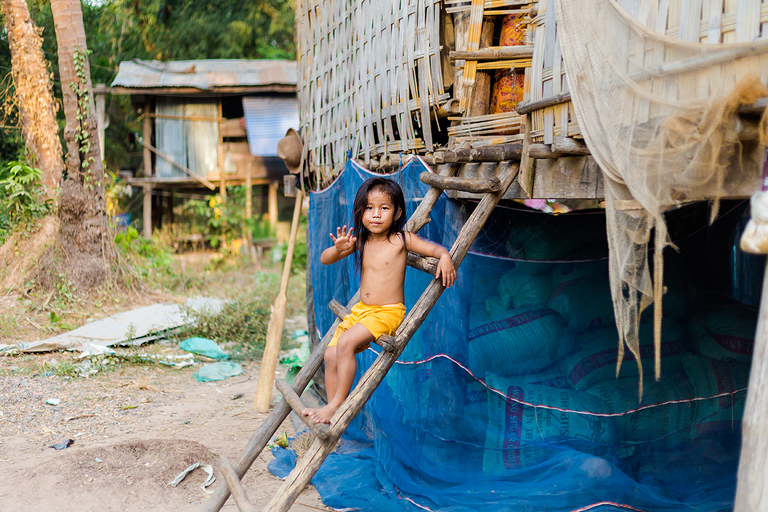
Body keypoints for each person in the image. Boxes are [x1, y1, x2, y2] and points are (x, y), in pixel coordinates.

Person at [303, 177, 456, 424]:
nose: (376, 215)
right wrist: (339, 248)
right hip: (361, 312)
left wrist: (446, 256)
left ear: (397, 213)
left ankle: (337, 405)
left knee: (345, 344)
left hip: (387, 312)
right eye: (369, 208)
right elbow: (324, 259)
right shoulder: (361, 240)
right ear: (360, 212)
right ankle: (332, 409)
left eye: (384, 208)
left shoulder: (401, 240)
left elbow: (435, 250)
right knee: (330, 356)